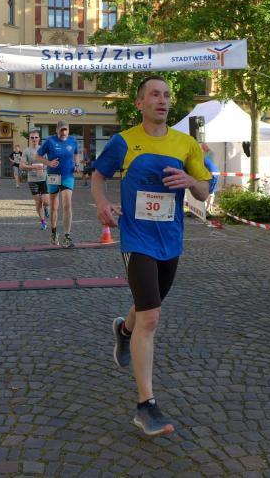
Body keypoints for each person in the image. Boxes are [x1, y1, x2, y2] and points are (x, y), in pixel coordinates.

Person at [91, 75, 211, 437]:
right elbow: (98, 176)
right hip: (137, 238)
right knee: (152, 316)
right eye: (155, 94)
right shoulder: (124, 141)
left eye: (167, 95)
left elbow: (204, 191)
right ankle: (146, 406)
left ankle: (123, 330)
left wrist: (191, 182)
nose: (162, 100)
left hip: (170, 240)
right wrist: (102, 203)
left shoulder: (186, 144)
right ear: (140, 103)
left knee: (147, 307)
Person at [37, 120, 79, 247]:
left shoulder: (73, 141)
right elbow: (38, 156)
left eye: (65, 130)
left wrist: (77, 164)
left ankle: (67, 237)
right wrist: (49, 163)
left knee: (67, 204)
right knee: (54, 206)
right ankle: (54, 233)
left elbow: (76, 153)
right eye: (61, 130)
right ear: (57, 130)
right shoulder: (50, 141)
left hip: (67, 176)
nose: (63, 133)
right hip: (53, 176)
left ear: (68, 130)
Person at [20, 129, 50, 229]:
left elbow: (48, 162)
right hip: (32, 180)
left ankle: (46, 207)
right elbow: (22, 166)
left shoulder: (43, 149)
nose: (34, 139)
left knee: (46, 201)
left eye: (36, 137)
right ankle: (43, 222)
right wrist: (34, 167)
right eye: (32, 137)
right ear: (29, 139)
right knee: (38, 202)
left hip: (44, 178)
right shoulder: (26, 151)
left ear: (39, 138)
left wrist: (44, 166)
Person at [201, 143, 219, 211]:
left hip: (212, 173)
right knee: (208, 190)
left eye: (204, 147)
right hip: (210, 172)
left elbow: (205, 164)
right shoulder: (203, 154)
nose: (203, 149)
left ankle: (208, 208)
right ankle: (207, 207)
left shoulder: (210, 153)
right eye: (202, 148)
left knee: (210, 191)